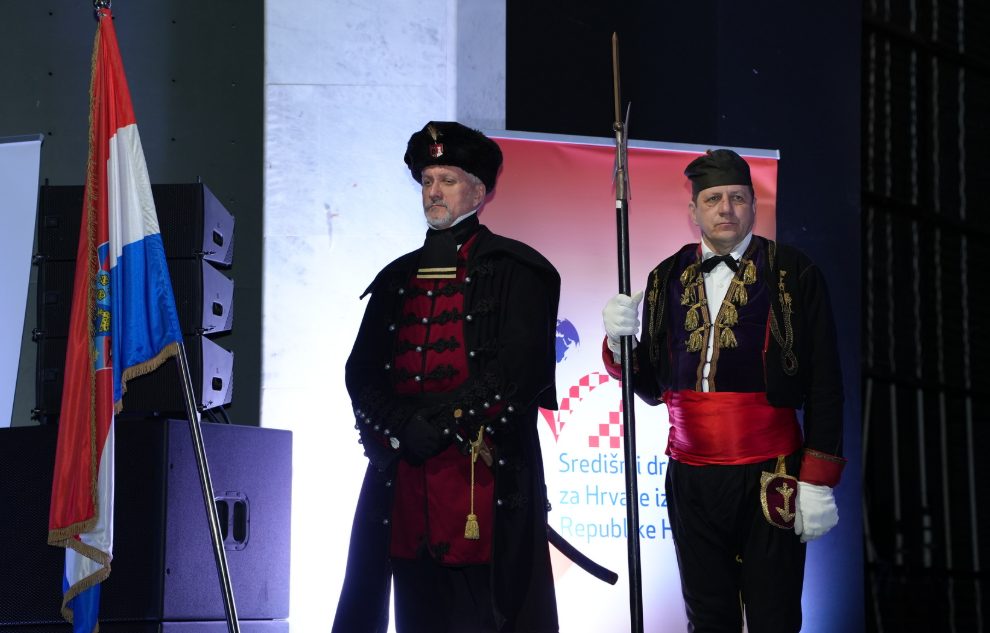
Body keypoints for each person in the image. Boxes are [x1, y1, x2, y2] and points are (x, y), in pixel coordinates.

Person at [601, 149, 845, 632]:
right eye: (713, 199)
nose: (726, 209)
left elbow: (826, 382)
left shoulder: (794, 271)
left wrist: (817, 480)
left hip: (771, 473)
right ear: (693, 211)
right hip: (690, 478)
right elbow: (650, 386)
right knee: (707, 614)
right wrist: (617, 343)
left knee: (774, 614)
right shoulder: (664, 277)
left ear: (754, 205)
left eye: (737, 198)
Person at [333, 121, 560, 633]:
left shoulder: (516, 269)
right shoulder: (396, 277)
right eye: (428, 181)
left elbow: (519, 371)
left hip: (480, 476)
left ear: (478, 192)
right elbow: (361, 371)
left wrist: (441, 424)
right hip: (404, 478)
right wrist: (401, 426)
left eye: (448, 180)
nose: (434, 191)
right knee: (413, 608)